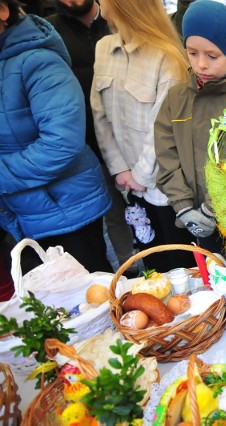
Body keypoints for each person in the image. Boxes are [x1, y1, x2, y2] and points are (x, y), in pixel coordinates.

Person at [0, 0, 112, 272]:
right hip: (19, 215)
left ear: (3, 10)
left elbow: (61, 143)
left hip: (64, 210)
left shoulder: (38, 61)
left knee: (90, 305)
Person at [155, 0, 226, 253]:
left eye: (212, 55)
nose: (201, 64)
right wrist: (183, 206)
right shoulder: (176, 98)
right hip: (192, 218)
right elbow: (166, 154)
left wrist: (212, 208)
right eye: (192, 53)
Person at [91, 0, 194, 271]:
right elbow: (98, 113)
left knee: (179, 265)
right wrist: (119, 168)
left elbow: (166, 127)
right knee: (150, 263)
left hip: (165, 187)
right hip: (128, 184)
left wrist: (139, 175)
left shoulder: (167, 56)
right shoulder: (103, 48)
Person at [47, 0, 137, 274]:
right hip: (85, 142)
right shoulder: (53, 30)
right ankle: (128, 268)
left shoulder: (118, 19)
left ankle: (157, 259)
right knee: (111, 213)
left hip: (130, 137)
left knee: (144, 204)